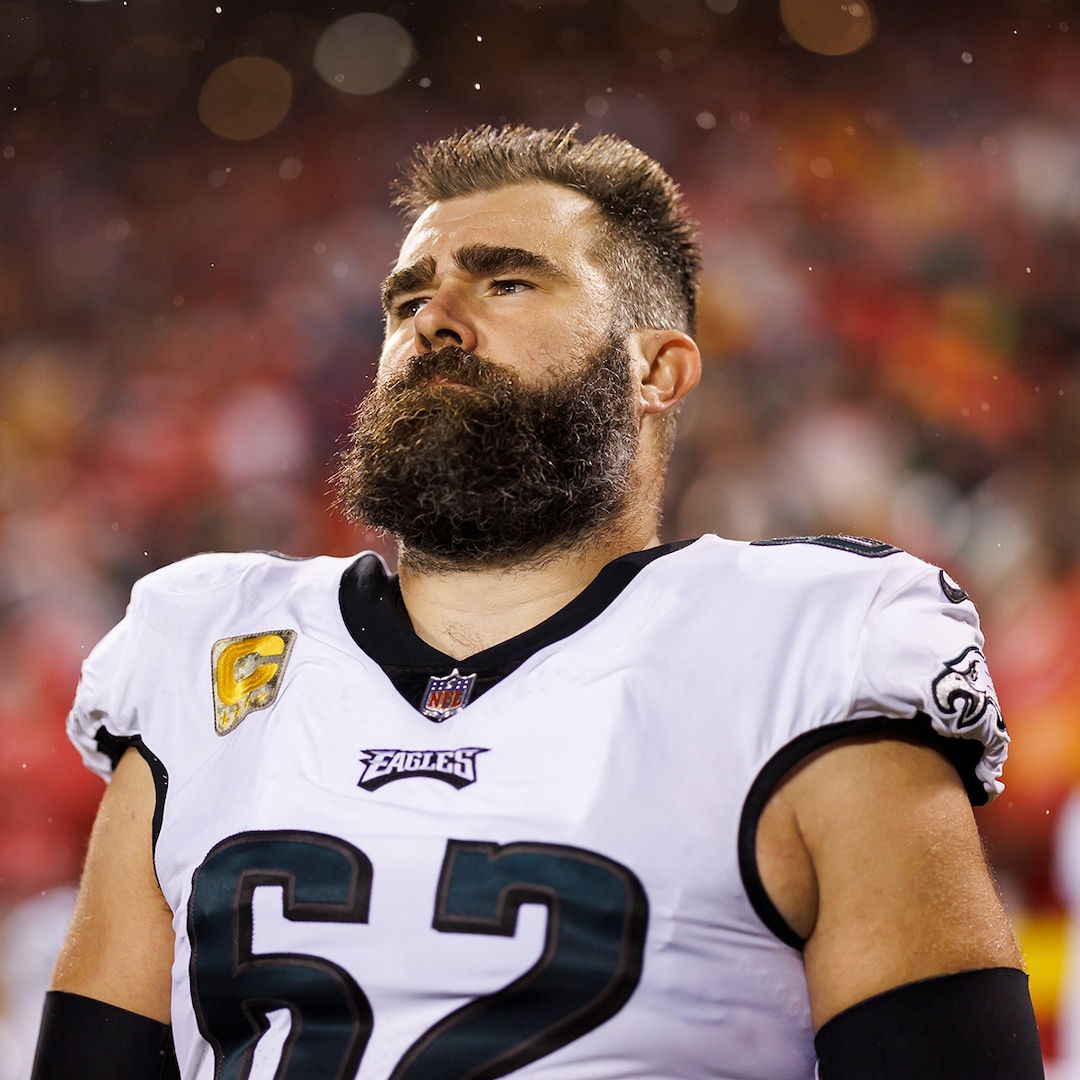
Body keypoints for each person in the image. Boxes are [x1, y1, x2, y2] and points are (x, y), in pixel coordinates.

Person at [31, 125, 1043, 1080]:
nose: (433, 319)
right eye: (407, 299)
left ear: (656, 369)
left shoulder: (807, 645)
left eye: (506, 281)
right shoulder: (206, 641)